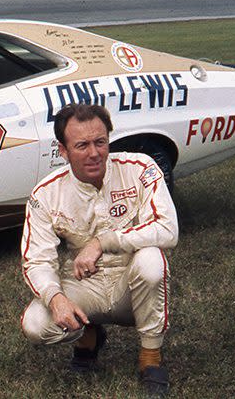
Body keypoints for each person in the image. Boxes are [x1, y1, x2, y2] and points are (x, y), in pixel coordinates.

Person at [20, 103, 177, 397]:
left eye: (100, 142)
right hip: (84, 285)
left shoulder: (140, 168)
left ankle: (151, 356)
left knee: (151, 259)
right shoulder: (46, 193)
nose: (94, 153)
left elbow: (168, 229)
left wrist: (102, 242)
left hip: (134, 285)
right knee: (35, 324)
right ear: (63, 151)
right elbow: (36, 261)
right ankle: (88, 333)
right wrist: (56, 300)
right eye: (81, 145)